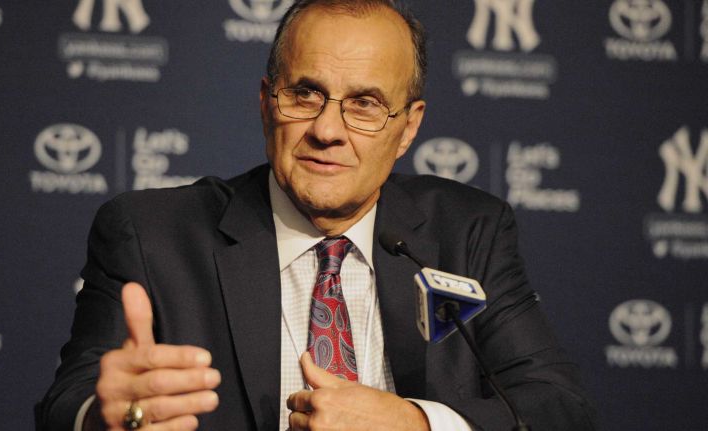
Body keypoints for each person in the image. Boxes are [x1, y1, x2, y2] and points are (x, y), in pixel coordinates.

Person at [38, 1, 596, 430]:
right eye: (305, 94)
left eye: (365, 104)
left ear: (408, 128)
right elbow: (69, 404)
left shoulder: (468, 231)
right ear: (266, 103)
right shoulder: (152, 234)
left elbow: (558, 408)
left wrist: (415, 423)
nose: (327, 130)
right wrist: (107, 417)